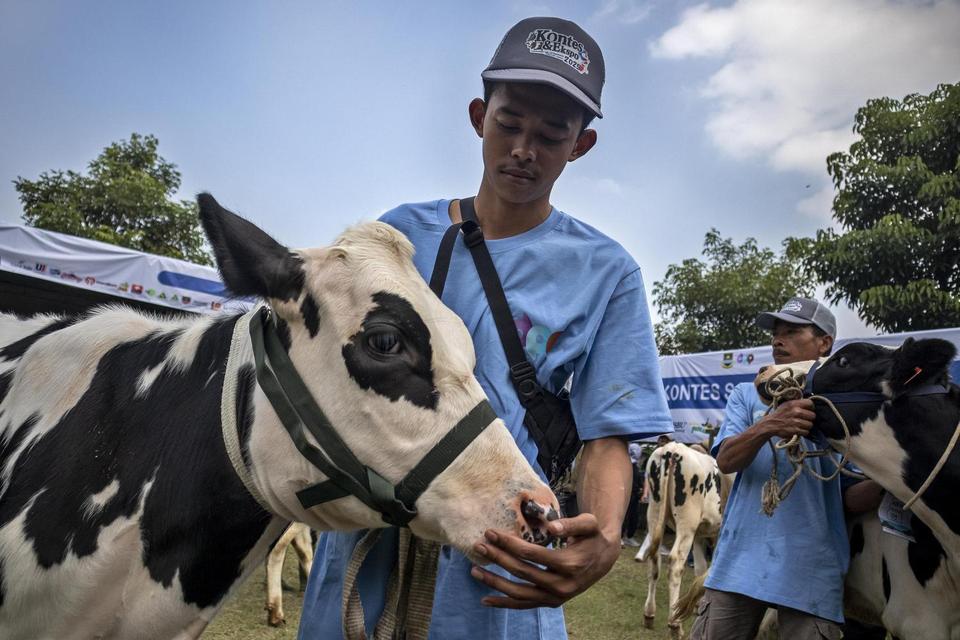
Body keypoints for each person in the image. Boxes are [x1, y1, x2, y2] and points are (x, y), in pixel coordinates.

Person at [297, 16, 673, 640]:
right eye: (509, 124)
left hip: (499, 570)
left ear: (581, 145)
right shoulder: (396, 238)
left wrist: (607, 536)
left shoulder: (607, 273)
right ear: (478, 116)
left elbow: (608, 436)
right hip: (365, 560)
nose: (525, 149)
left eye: (552, 134)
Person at [689, 297, 847, 640]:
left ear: (824, 343)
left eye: (792, 332)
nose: (778, 340)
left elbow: (853, 496)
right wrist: (770, 424)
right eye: (776, 333)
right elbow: (727, 460)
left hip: (812, 572)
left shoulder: (844, 407)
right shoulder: (747, 395)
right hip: (738, 565)